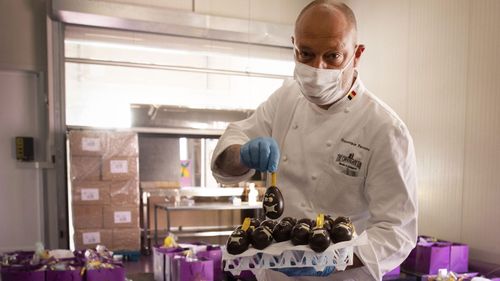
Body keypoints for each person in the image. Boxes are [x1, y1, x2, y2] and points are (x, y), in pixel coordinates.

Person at [211, 0, 418, 280]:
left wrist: (331, 259)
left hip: (342, 275)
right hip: (277, 273)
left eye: (332, 56)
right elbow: (229, 152)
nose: (317, 68)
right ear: (294, 46)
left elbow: (397, 231)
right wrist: (242, 154)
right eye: (305, 54)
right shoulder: (285, 98)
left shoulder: (384, 129)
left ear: (357, 54)